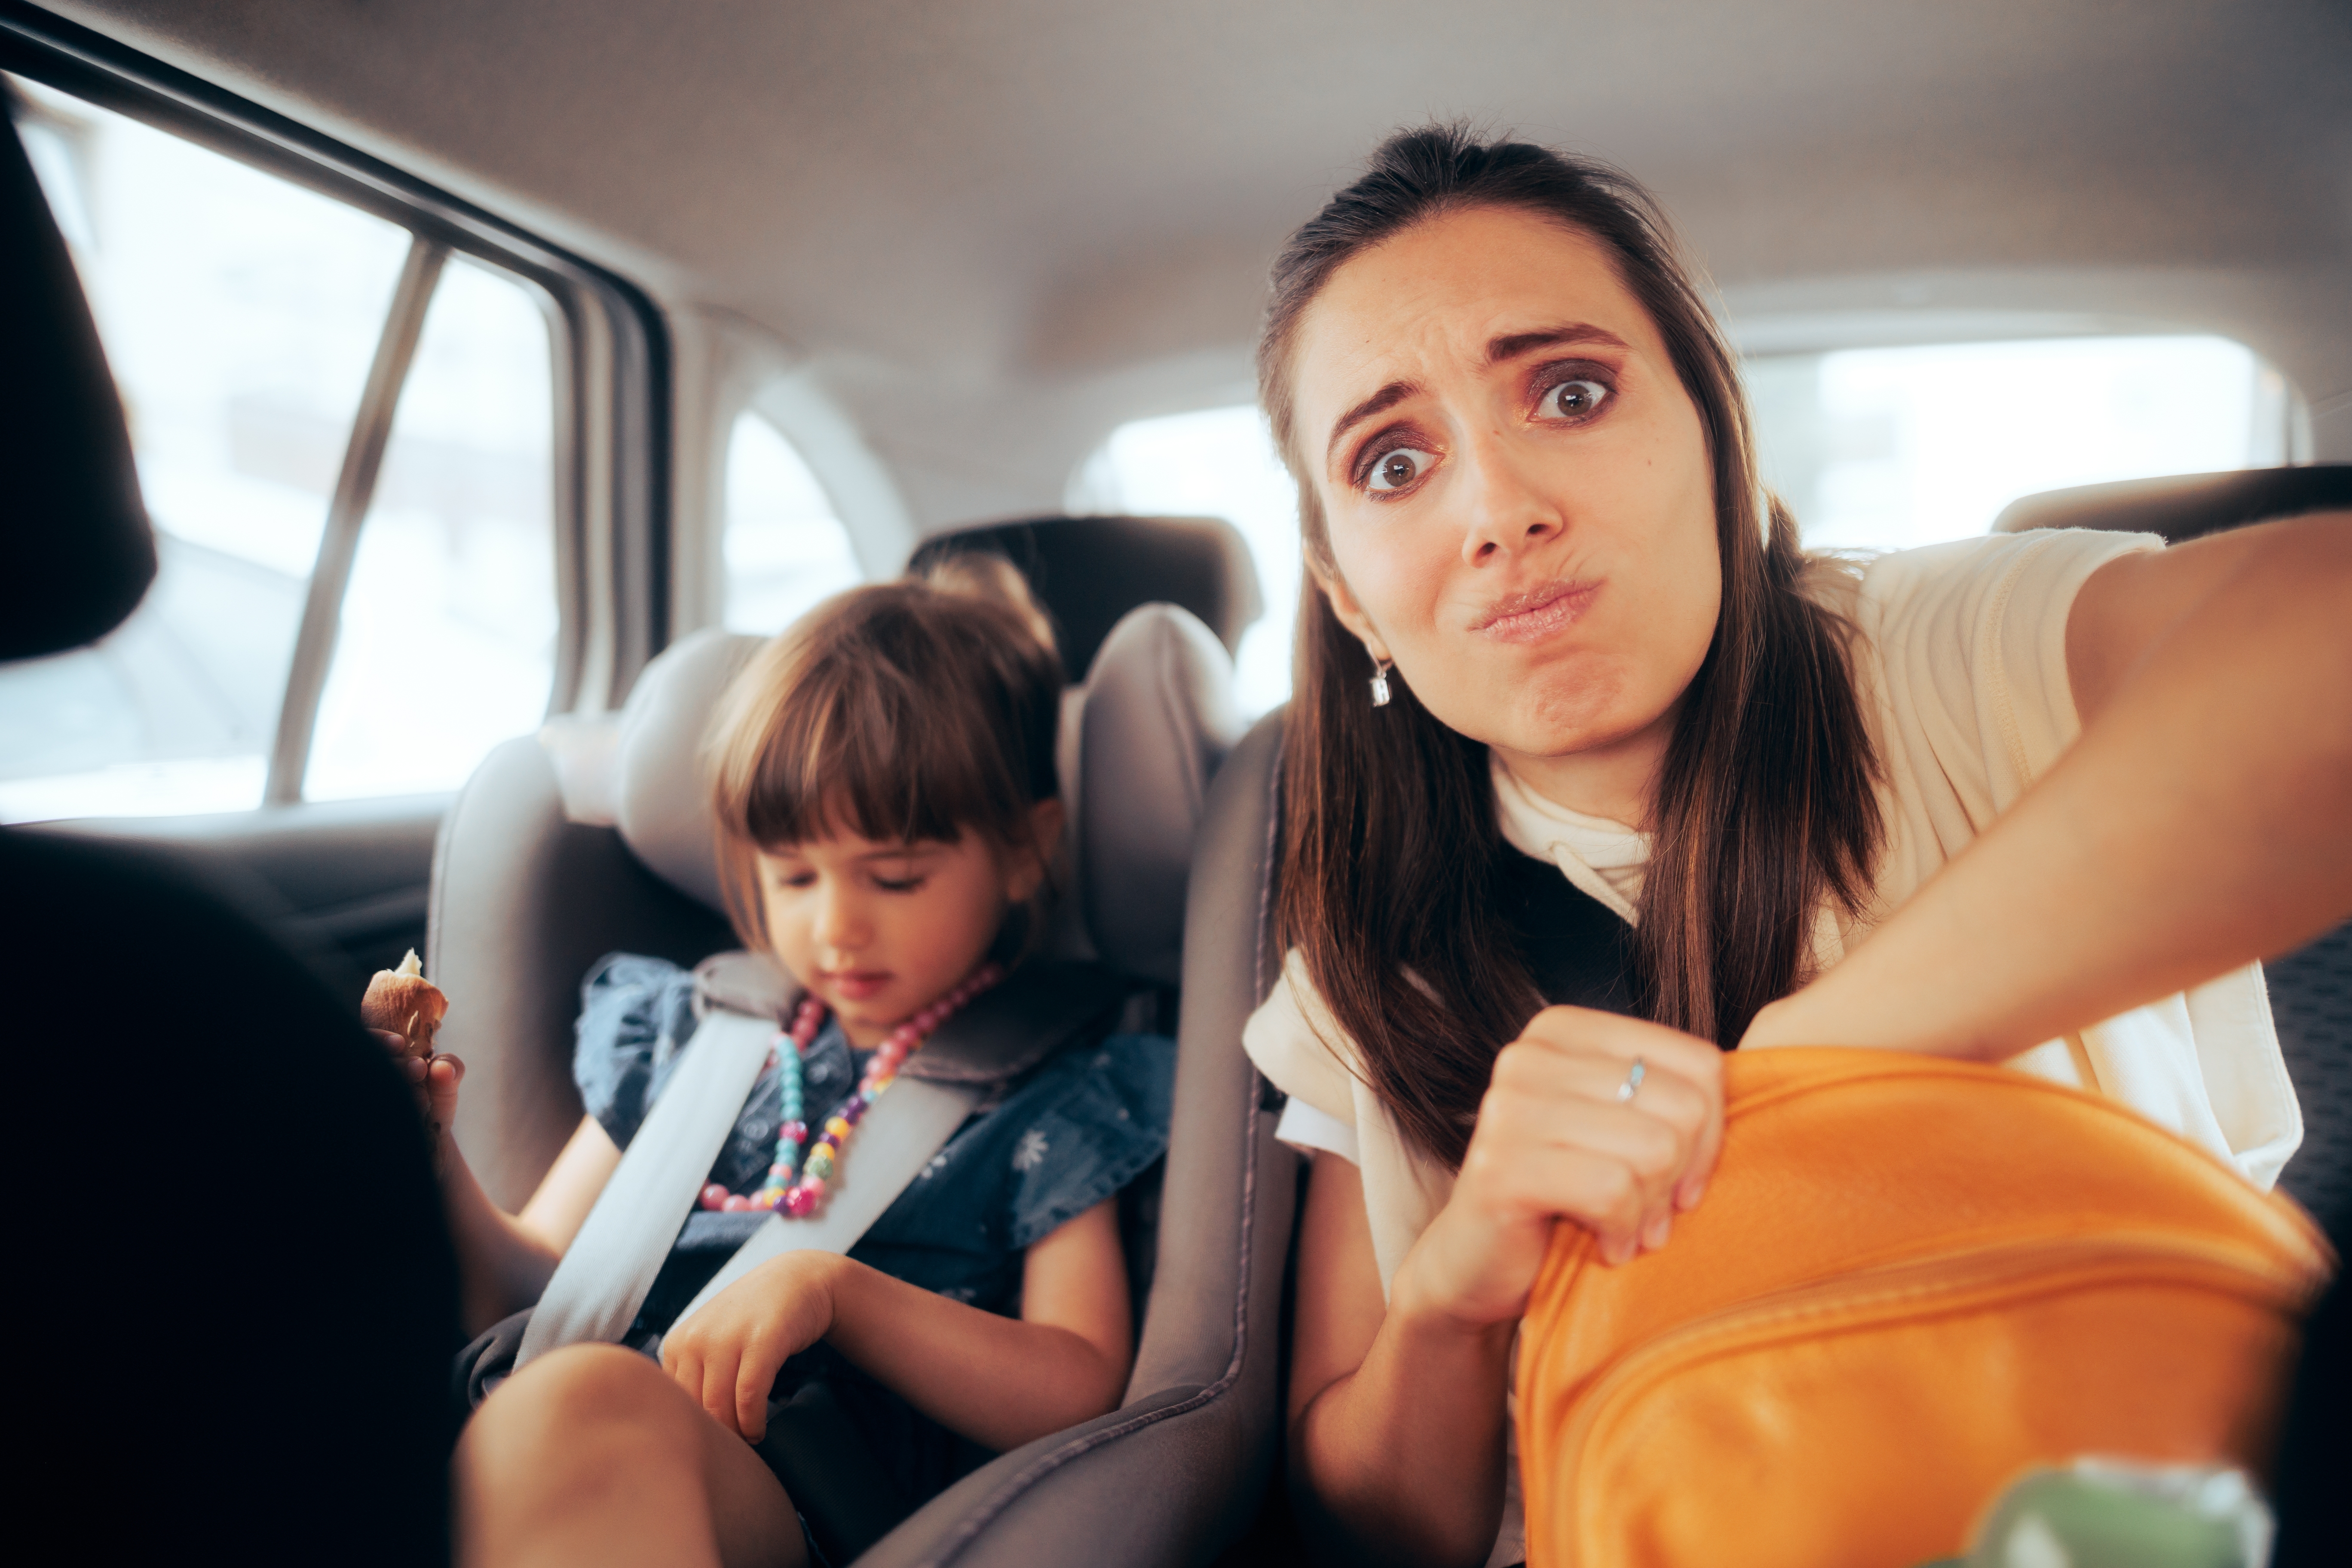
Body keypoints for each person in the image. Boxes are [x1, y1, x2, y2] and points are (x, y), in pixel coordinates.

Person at [1240, 125, 2352, 1568]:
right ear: (1348, 593)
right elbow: (1374, 1524)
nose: (1499, 507)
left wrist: (1789, 1073)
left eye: (1569, 392)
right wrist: (1457, 1286)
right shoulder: (1364, 969)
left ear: (1714, 433)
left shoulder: (1943, 655)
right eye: (1393, 462)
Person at [403, 574, 1174, 1568]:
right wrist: (424, 1156)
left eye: (894, 877)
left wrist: (838, 1294)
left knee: (580, 1406)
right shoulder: (691, 1035)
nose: (836, 926)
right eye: (794, 875)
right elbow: (537, 1287)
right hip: (552, 1423)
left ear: (1027, 852)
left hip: (803, 1492)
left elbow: (1077, 1382)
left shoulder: (1048, 1091)